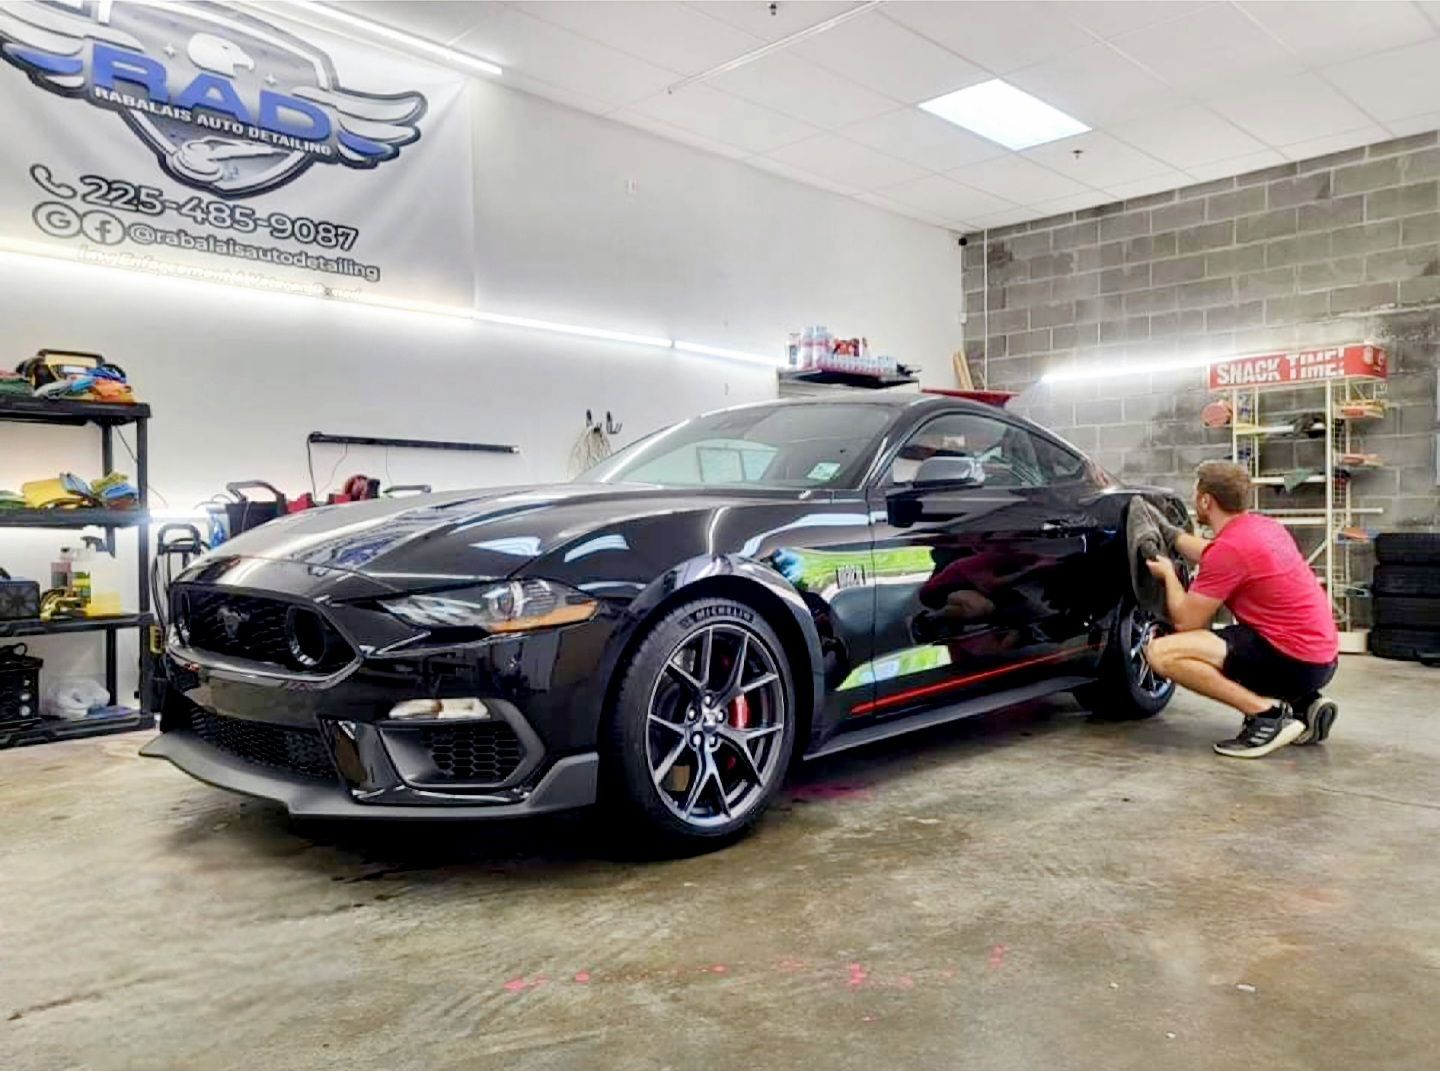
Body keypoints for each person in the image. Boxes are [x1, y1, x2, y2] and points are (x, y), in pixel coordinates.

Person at [1142, 461, 1340, 759]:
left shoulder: (1229, 550)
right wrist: (1170, 535)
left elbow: (1186, 621)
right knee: (1242, 638)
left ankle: (1266, 716)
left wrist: (1169, 575)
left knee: (1162, 653)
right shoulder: (1263, 528)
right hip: (1322, 657)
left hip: (1294, 661)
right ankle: (1306, 705)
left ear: (1206, 500)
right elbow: (1211, 552)